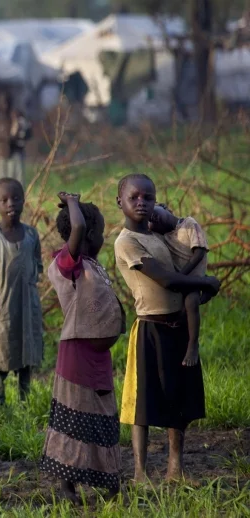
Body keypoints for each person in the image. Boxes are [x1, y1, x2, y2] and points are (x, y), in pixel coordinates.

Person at [114, 173, 220, 482]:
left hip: (178, 325)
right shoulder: (127, 242)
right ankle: (140, 474)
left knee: (179, 401)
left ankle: (175, 469)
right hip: (151, 327)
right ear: (120, 202)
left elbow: (186, 258)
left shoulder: (158, 234)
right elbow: (169, 280)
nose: (141, 203)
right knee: (143, 407)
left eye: (148, 197)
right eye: (134, 197)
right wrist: (207, 283)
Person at [40, 193, 124, 503]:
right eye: (100, 230)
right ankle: (67, 485)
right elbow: (76, 228)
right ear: (88, 234)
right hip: (76, 355)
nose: (104, 236)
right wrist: (73, 203)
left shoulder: (91, 265)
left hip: (98, 355)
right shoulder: (67, 262)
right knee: (74, 418)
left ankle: (109, 479)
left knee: (101, 414)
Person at [0, 178, 43, 404]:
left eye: (15, 198)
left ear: (24, 201)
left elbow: (37, 265)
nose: (10, 204)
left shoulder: (32, 235)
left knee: (27, 348)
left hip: (26, 306)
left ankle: (27, 400)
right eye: (3, 200)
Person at [149, 204, 208, 367]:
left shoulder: (189, 223)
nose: (152, 219)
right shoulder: (163, 236)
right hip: (180, 280)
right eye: (150, 221)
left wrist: (183, 275)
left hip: (194, 277)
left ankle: (193, 344)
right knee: (180, 310)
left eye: (154, 212)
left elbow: (199, 253)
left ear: (166, 208)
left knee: (191, 301)